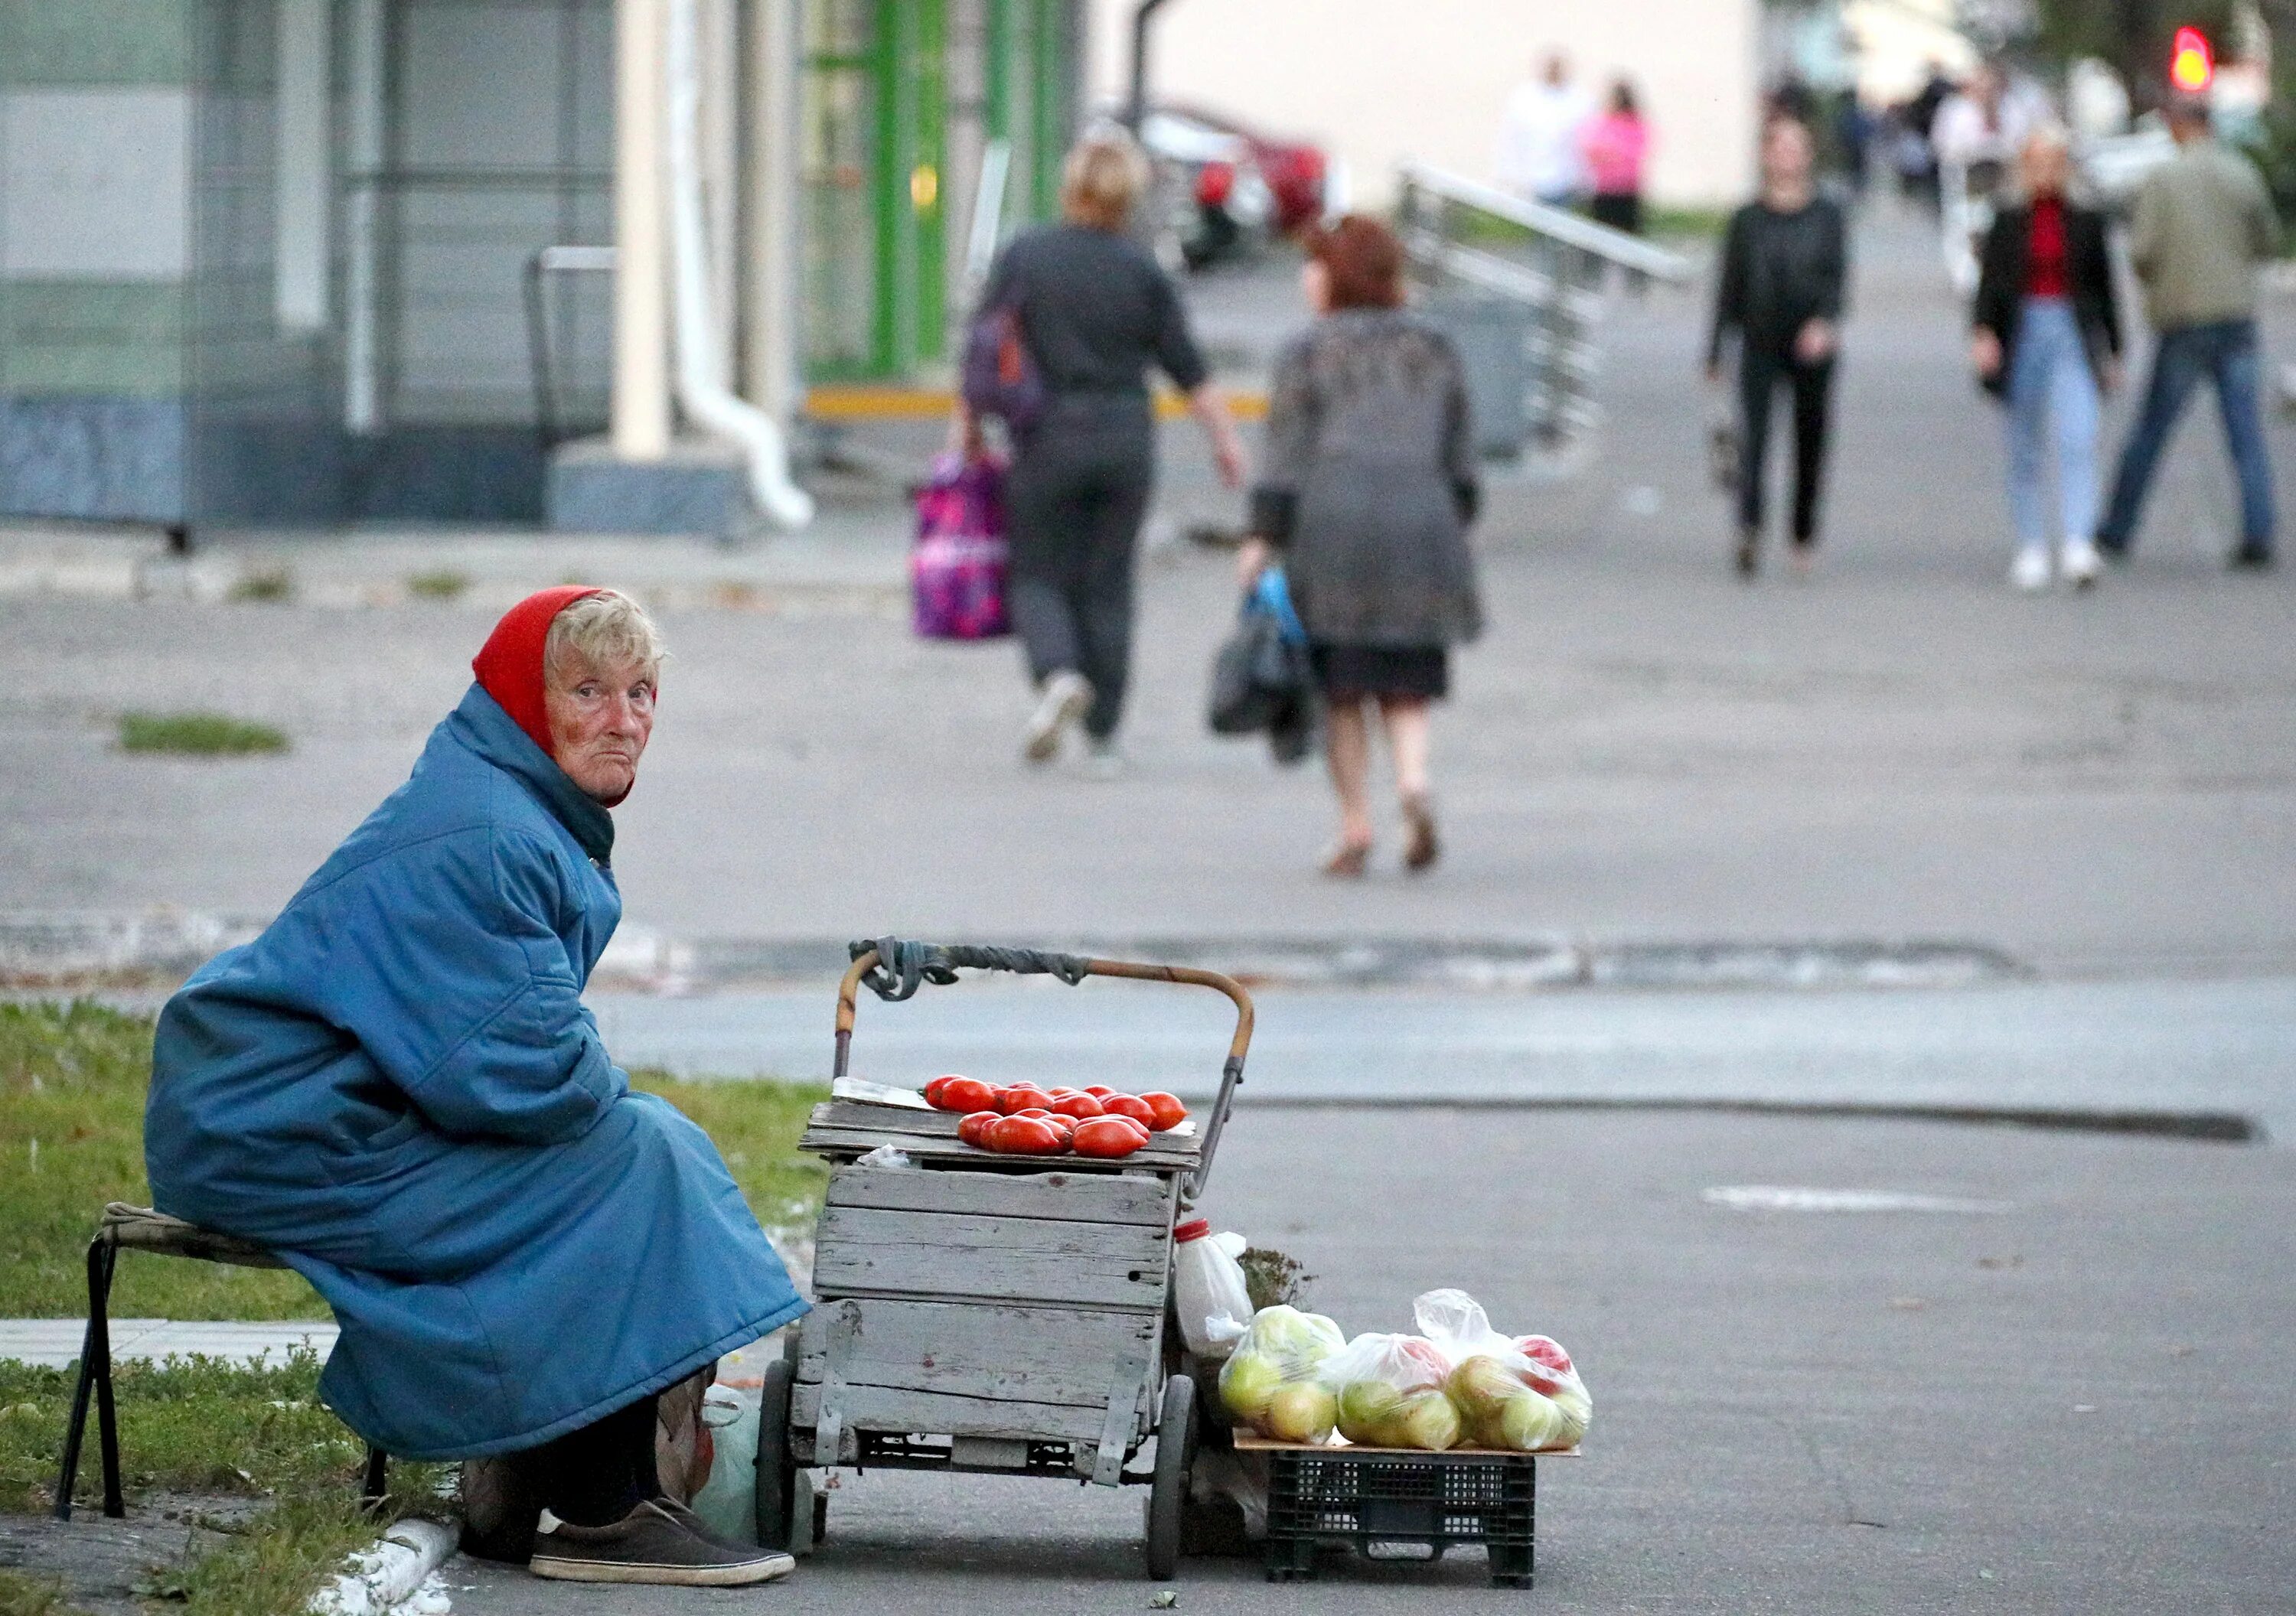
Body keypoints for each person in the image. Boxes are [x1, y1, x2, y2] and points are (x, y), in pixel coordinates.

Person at [143, 588, 805, 1588]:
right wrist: (605, 1101)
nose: (624, 720)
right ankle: (602, 1506)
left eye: (641, 693)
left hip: (312, 1109)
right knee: (629, 1161)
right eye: (588, 690)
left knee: (633, 1147)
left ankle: (536, 1465)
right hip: (278, 1127)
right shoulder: (490, 834)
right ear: (523, 702)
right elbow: (515, 1068)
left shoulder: (509, 803)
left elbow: (500, 1058)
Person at [960, 130, 1245, 773]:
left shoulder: (1027, 257)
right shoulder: (1142, 270)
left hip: (1045, 437)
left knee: (1036, 571)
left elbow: (981, 347)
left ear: (1071, 188)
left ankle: (1058, 673)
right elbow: (1188, 368)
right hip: (1124, 441)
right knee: (1109, 583)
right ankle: (1105, 737)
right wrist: (1225, 442)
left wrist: (968, 430)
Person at [1236, 217, 1483, 876]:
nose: (1305, 277)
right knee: (1407, 681)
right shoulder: (1436, 348)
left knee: (1342, 688)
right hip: (1421, 519)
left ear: (1337, 275)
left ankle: (1355, 826)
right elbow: (1462, 456)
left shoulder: (1307, 352)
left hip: (1333, 526)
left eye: (1314, 265)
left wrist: (1262, 536)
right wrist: (1456, 512)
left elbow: (1285, 459)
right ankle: (1413, 781)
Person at [2095, 95, 2279, 570]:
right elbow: (2267, 239)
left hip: (2184, 316)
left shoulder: (2163, 180)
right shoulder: (2241, 173)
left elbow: (2142, 250)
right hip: (2235, 313)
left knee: (2153, 429)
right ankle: (2259, 531)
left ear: (2179, 126)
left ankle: (2117, 529)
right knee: (2244, 432)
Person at [1971, 125, 2123, 591]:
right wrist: (1983, 334)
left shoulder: (2085, 220)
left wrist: (2114, 350)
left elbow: (2105, 288)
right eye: (2035, 162)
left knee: (2079, 436)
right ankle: (2032, 545)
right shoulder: (2006, 219)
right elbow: (1990, 285)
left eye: (2053, 161)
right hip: (2022, 331)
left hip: (2072, 332)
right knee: (2025, 442)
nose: (2044, 172)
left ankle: (2078, 542)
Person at [1707, 113, 1850, 578]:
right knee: (1754, 438)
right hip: (1759, 340)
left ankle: (1802, 533)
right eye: (1779, 146)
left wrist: (1825, 324)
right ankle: (1749, 527)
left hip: (1811, 344)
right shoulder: (1746, 219)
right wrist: (1714, 351)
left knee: (1810, 441)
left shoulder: (1827, 215)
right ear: (1767, 155)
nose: (1788, 155)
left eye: (1796, 146)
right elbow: (1729, 287)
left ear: (1808, 155)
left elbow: (1836, 279)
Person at [1497, 50, 1593, 209]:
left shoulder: (1580, 100)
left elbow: (1588, 140)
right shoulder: (1524, 98)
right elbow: (1511, 138)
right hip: (1534, 178)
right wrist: (1512, 175)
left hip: (1569, 180)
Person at [1582, 79, 1650, 239]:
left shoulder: (1635, 124)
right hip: (1605, 188)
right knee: (1602, 235)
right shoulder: (1604, 122)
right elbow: (1591, 148)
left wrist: (1610, 154)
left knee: (1628, 234)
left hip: (1627, 188)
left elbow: (1633, 152)